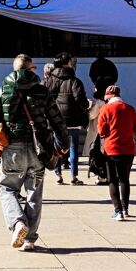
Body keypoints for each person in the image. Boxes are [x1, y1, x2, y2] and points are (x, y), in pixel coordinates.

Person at [0, 54, 68, 251]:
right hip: (39, 148)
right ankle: (29, 239)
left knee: (7, 188)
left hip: (12, 148)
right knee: (34, 194)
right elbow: (56, 119)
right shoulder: (42, 91)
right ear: (31, 69)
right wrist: (64, 143)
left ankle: (18, 222)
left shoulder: (4, 90)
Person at [97, 84, 136, 220]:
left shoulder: (105, 110)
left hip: (112, 149)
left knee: (112, 181)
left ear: (108, 96)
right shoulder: (130, 109)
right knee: (125, 180)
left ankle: (118, 211)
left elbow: (101, 131)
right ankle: (125, 208)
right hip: (128, 149)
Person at [45, 53, 88, 185]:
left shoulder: (49, 80)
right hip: (72, 119)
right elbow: (81, 100)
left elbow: (43, 98)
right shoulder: (74, 81)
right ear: (66, 63)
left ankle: (58, 176)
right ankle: (74, 177)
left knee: (56, 147)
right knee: (73, 148)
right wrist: (86, 106)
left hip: (54, 120)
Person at [83, 92, 109, 185]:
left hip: (97, 131)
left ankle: (101, 176)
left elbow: (91, 115)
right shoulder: (108, 103)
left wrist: (87, 110)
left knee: (96, 154)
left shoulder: (98, 103)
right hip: (106, 132)